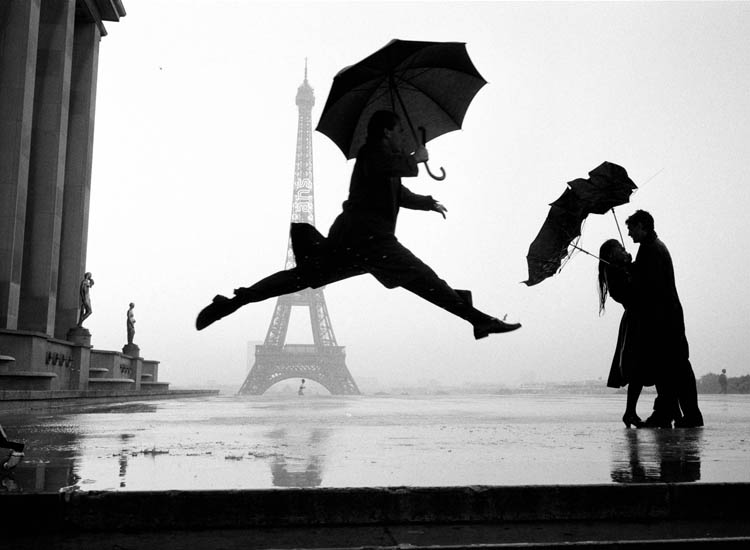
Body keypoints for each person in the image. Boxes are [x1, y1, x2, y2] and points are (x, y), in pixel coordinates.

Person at [196, 110, 521, 339]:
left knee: (300, 278)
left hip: (354, 241)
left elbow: (398, 192)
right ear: (386, 132)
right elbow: (390, 170)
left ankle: (235, 300)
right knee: (424, 279)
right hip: (369, 240)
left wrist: (427, 202)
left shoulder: (383, 160)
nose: (402, 137)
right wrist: (416, 159)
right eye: (399, 132)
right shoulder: (372, 153)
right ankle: (479, 320)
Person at [626, 210, 703, 428]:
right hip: (667, 318)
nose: (630, 234)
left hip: (664, 321)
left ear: (642, 226)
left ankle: (683, 415)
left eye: (632, 228)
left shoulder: (652, 250)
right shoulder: (652, 247)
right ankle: (674, 413)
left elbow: (648, 286)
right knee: (670, 368)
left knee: (674, 368)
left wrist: (628, 268)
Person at [598, 239, 652, 428]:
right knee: (636, 368)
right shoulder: (613, 272)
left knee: (638, 368)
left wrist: (629, 266)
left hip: (638, 319)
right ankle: (630, 412)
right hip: (636, 321)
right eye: (620, 249)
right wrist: (629, 267)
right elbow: (632, 291)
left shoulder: (618, 269)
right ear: (612, 254)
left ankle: (630, 412)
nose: (624, 250)